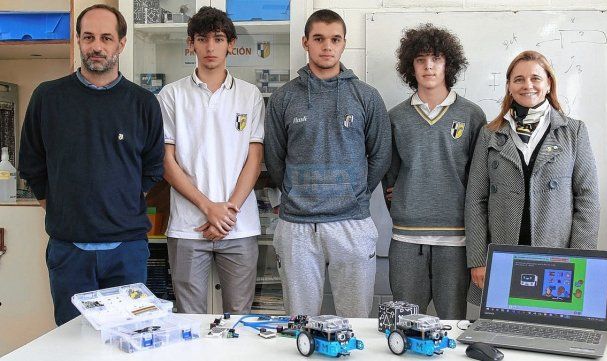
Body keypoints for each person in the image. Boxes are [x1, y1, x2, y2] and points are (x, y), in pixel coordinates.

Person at [18, 4, 164, 325]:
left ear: (121, 44)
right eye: (89, 37)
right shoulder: (48, 98)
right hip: (69, 251)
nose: (97, 46)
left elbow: (153, 168)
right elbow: (31, 164)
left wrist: (119, 203)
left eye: (106, 38)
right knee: (73, 342)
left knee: (128, 337)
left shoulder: (143, 103)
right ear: (79, 40)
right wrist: (61, 208)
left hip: (126, 252)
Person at [264, 9, 391, 317]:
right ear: (305, 42)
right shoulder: (284, 98)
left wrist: (355, 193)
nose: (327, 46)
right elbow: (275, 158)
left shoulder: (366, 96)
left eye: (335, 39)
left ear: (344, 43)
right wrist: (294, 193)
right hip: (298, 225)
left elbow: (381, 154)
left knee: (356, 319)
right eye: (319, 39)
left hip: (352, 221)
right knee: (300, 321)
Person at [465, 50, 600, 304]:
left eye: (535, 78)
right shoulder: (490, 134)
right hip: (502, 255)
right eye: (519, 79)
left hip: (556, 257)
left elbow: (588, 199)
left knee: (548, 329)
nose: (528, 85)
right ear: (509, 86)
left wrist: (579, 260)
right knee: (500, 329)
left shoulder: (573, 131)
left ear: (548, 84)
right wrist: (478, 260)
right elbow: (475, 200)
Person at [158, 6, 264, 314]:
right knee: (189, 321)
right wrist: (208, 208)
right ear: (191, 44)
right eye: (202, 39)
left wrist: (227, 213)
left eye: (218, 39)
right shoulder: (171, 95)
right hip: (189, 227)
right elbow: (167, 162)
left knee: (239, 321)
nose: (210, 47)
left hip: (239, 226)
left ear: (231, 44)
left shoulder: (250, 95)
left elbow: (254, 159)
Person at [384, 24, 486, 319]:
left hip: (456, 239)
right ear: (410, 66)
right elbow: (389, 174)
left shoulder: (472, 115)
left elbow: (479, 178)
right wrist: (403, 197)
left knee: (451, 323)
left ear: (448, 64)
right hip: (406, 237)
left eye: (436, 58)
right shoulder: (396, 117)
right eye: (420, 60)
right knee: (406, 324)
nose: (428, 66)